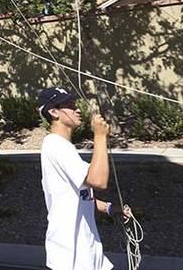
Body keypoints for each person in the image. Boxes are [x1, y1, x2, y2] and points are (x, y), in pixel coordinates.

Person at [38, 88, 129, 270]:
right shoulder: (55, 145)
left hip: (88, 251)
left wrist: (110, 208)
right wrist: (100, 136)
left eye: (75, 104)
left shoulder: (64, 147)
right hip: (70, 257)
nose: (77, 109)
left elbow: (80, 196)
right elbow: (98, 181)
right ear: (53, 112)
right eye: (70, 106)